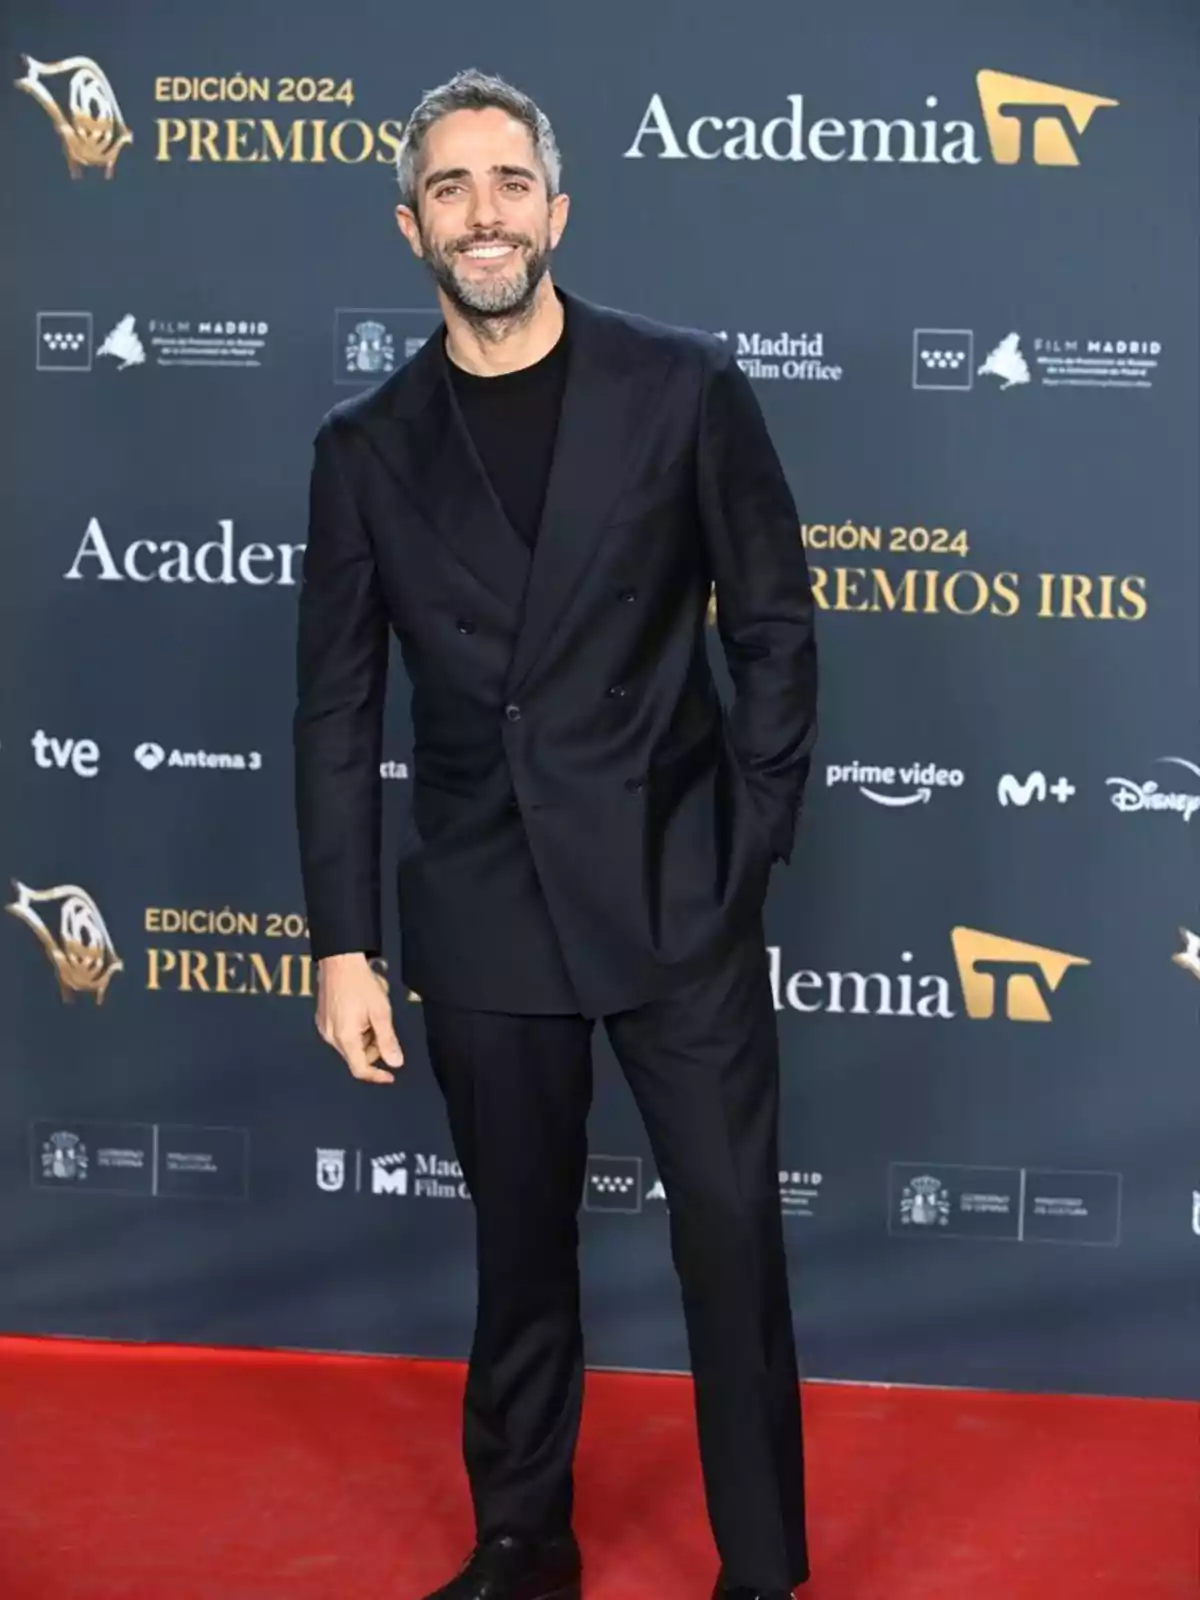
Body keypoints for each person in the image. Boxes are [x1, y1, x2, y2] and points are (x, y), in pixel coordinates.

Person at [293, 67, 818, 1600]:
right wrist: (343, 943)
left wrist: (751, 838)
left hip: (675, 882)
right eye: (449, 189)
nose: (484, 214)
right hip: (484, 894)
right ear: (411, 228)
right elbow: (335, 710)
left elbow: (773, 623)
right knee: (520, 1254)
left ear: (557, 209)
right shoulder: (366, 447)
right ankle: (522, 1539)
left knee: (730, 1242)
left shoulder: (682, 387)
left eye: (508, 182)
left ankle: (765, 1570)